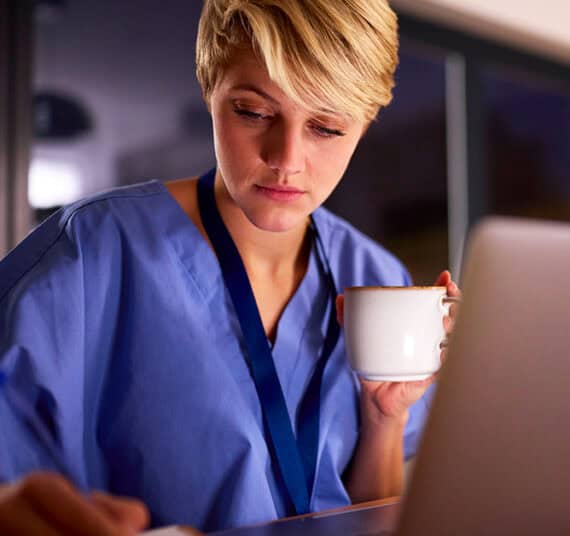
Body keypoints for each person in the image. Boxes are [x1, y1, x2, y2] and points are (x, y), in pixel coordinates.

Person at [0, 0, 459, 533]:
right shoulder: (93, 253)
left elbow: (363, 518)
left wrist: (385, 416)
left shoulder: (377, 276)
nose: (286, 158)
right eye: (254, 112)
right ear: (209, 85)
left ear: (366, 122)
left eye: (327, 127)